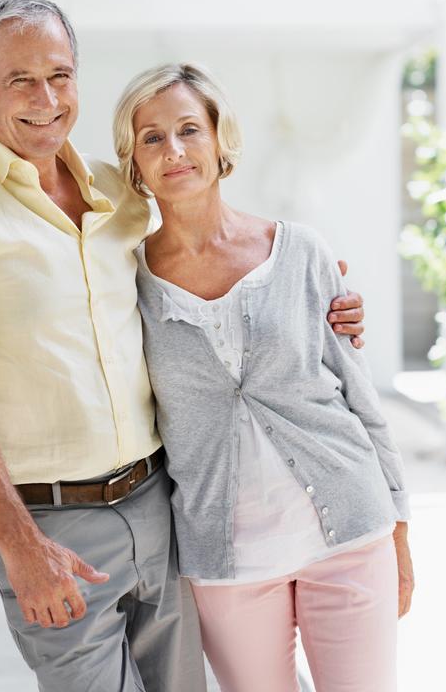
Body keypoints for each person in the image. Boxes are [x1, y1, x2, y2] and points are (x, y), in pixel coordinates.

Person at [0, 0, 366, 692]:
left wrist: (323, 300)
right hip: (49, 525)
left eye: (60, 75)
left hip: (161, 506)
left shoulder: (116, 193)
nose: (46, 98)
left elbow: (207, 262)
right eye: (20, 81)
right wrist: (19, 543)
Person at [118, 62, 414, 692]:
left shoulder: (299, 252)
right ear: (134, 161)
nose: (174, 150)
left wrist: (400, 527)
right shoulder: (125, 283)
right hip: (228, 562)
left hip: (351, 536)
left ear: (220, 138)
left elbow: (359, 397)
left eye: (190, 129)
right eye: (152, 137)